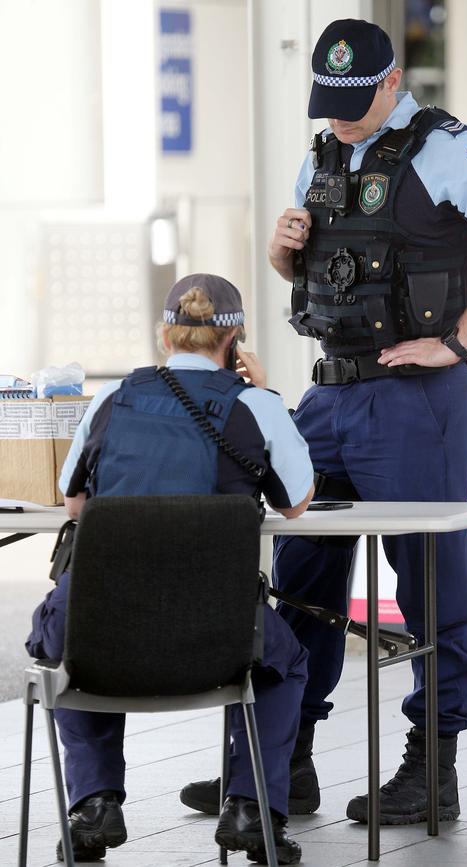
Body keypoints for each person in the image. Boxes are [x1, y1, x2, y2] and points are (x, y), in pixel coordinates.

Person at [182, 17, 467, 828]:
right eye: (330, 101)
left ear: (392, 82)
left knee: (430, 581)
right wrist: (284, 252)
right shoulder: (324, 151)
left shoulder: (449, 145)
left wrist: (458, 340)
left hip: (414, 400)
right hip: (327, 396)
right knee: (300, 582)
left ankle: (433, 769)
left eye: (355, 100)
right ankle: (284, 764)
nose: (340, 116)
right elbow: (314, 263)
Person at [26, 274, 314, 865]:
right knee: (285, 660)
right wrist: (264, 393)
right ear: (234, 343)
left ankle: (93, 804)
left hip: (101, 631)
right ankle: (249, 808)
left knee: (70, 636)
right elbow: (296, 501)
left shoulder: (112, 401)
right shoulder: (255, 407)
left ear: (166, 335)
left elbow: (75, 504)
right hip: (217, 638)